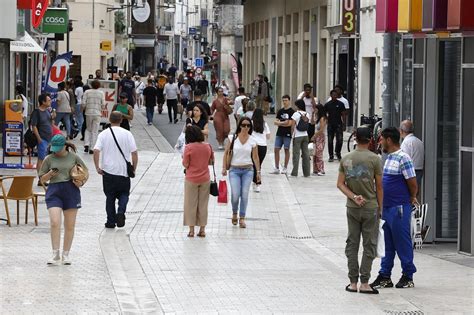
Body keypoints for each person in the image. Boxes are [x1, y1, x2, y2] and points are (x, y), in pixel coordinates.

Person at [371, 127, 418, 290]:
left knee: (402, 243)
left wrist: (411, 197)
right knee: (387, 244)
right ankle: (385, 276)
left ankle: (408, 276)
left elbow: (412, 183)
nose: (380, 142)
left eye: (381, 139)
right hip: (387, 208)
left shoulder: (403, 158)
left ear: (389, 140)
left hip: (399, 209)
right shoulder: (389, 157)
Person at [337, 127, 383, 294]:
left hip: (352, 207)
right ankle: (365, 282)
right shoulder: (375, 159)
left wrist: (354, 196)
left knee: (352, 243)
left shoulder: (346, 158)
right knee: (369, 244)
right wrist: (380, 207)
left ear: (355, 138)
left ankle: (352, 282)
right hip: (370, 207)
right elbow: (379, 186)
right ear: (370, 139)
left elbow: (340, 184)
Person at [39, 134, 88, 265]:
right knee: (55, 222)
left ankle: (66, 254)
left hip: (71, 191)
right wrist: (49, 174)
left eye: (58, 148)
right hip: (54, 191)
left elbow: (85, 173)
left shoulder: (74, 157)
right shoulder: (49, 159)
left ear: (65, 146)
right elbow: (41, 179)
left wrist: (81, 182)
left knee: (69, 225)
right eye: (54, 148)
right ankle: (55, 254)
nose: (56, 151)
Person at [93, 111, 138, 229]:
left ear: (109, 119)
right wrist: (133, 167)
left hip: (108, 172)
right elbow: (134, 153)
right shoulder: (127, 134)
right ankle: (121, 211)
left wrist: (97, 167)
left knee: (110, 197)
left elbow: (96, 150)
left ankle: (111, 221)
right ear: (121, 120)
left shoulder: (103, 134)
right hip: (123, 172)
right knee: (124, 194)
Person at [222, 117, 260, 228]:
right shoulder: (232, 138)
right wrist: (224, 167)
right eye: (243, 125)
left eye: (248, 125)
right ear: (240, 126)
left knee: (244, 194)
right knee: (235, 194)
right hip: (234, 170)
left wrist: (258, 172)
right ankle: (234, 213)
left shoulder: (253, 140)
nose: (246, 127)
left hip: (248, 170)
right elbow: (226, 153)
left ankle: (242, 218)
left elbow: (255, 157)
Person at [182, 125, 214, 237]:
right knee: (203, 204)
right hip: (205, 178)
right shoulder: (208, 146)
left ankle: (191, 230)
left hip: (191, 179)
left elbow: (185, 164)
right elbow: (211, 161)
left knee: (190, 204)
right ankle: (202, 229)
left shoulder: (188, 147)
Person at [31, 93, 53, 185]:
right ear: (43, 102)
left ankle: (43, 178)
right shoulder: (37, 112)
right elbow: (34, 126)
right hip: (42, 138)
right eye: (48, 100)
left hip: (48, 138)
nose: (50, 101)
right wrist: (39, 138)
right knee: (41, 159)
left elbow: (50, 122)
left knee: (45, 159)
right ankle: (41, 179)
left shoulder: (48, 111)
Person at [82, 80, 105, 154]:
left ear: (91, 85)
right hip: (97, 113)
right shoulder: (101, 93)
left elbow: (83, 103)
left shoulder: (87, 92)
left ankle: (86, 144)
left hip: (88, 112)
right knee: (95, 130)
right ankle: (92, 148)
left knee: (88, 129)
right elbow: (103, 104)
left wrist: (84, 108)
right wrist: (101, 109)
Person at [400, 120, 424, 189]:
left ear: (401, 131)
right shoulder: (419, 141)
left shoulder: (406, 143)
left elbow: (404, 161)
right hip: (419, 171)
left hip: (410, 173)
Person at [289, 99, 311, 177]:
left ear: (298, 106)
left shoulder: (295, 114)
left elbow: (292, 126)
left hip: (297, 136)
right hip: (305, 135)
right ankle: (307, 173)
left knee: (296, 154)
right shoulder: (307, 114)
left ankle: (294, 172)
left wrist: (292, 135)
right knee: (306, 154)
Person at [251, 108, 270, 192]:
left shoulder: (251, 124)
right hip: (263, 146)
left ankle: (256, 182)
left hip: (254, 146)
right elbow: (268, 136)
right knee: (259, 165)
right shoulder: (264, 124)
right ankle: (257, 183)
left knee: (254, 164)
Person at [324, 90, 345, 162]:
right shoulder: (327, 104)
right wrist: (326, 120)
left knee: (340, 140)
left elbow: (343, 114)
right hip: (330, 124)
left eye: (336, 95)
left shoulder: (341, 104)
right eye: (333, 95)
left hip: (339, 124)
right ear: (331, 95)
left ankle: (338, 153)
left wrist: (344, 123)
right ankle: (331, 156)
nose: (334, 96)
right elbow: (324, 113)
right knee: (330, 140)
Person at [312, 104, 327, 176]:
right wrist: (312, 114)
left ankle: (321, 169)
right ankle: (315, 169)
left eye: (316, 109)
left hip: (320, 137)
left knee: (319, 153)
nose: (315, 110)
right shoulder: (317, 117)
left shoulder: (322, 118)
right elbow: (312, 122)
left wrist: (314, 136)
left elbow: (321, 129)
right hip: (316, 137)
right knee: (315, 153)